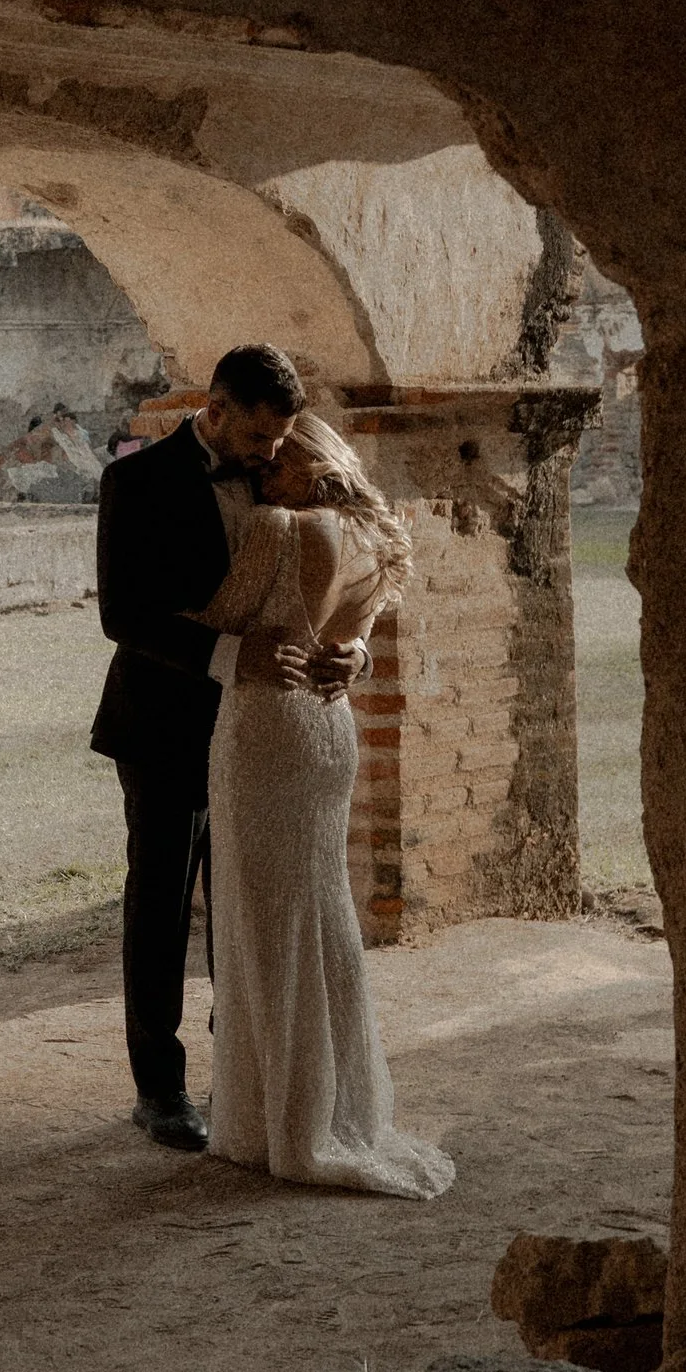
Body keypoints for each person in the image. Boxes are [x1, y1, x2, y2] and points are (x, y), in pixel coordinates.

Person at [89, 344, 356, 1148]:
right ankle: (159, 1088)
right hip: (164, 722)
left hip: (269, 730)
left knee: (250, 901)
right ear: (214, 409)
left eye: (283, 439)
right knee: (165, 902)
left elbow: (356, 585)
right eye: (262, 437)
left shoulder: (288, 469)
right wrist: (226, 657)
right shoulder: (132, 482)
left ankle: (238, 1071)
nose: (275, 455)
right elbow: (122, 617)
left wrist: (356, 653)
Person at [189, 412, 454, 1198]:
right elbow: (354, 641)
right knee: (320, 912)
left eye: (277, 459)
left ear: (309, 463)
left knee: (264, 924)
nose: (263, 471)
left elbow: (223, 621)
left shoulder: (282, 526)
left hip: (267, 727)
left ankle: (292, 1123)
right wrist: (358, 650)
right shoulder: (379, 537)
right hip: (330, 731)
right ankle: (341, 1107)